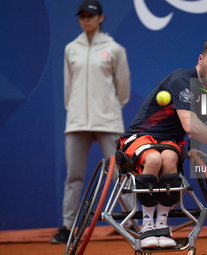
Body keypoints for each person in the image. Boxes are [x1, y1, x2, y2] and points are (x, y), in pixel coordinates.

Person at [116, 38, 207, 249]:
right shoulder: (181, 80)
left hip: (170, 144)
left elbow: (196, 132)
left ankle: (162, 225)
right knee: (154, 158)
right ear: (201, 59)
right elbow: (191, 126)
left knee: (169, 158)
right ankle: (147, 226)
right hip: (139, 138)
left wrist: (195, 149)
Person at [50, 0, 133, 244]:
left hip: (108, 121)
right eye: (82, 15)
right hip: (77, 122)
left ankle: (135, 221)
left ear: (101, 18)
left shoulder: (114, 49)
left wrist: (108, 107)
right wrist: (76, 110)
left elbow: (123, 88)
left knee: (121, 173)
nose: (86, 19)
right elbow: (68, 88)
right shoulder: (70, 49)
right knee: (74, 175)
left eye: (91, 15)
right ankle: (68, 227)